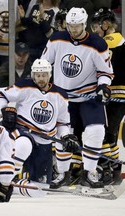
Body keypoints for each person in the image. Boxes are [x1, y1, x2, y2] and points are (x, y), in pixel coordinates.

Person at [41, 7, 114, 188]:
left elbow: (105, 72)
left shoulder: (97, 43)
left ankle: (90, 172)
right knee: (63, 134)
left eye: (77, 26)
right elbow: (44, 63)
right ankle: (62, 173)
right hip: (63, 97)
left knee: (95, 132)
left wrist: (103, 86)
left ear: (84, 24)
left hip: (89, 96)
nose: (73, 29)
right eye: (70, 25)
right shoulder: (57, 39)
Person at [0, 58, 80, 185]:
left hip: (45, 140)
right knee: (23, 145)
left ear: (49, 75)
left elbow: (62, 123)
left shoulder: (60, 95)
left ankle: (59, 176)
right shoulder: (25, 86)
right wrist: (4, 110)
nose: (41, 79)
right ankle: (4, 177)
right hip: (23, 132)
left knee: (41, 184)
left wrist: (65, 136)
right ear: (33, 76)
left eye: (44, 75)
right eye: (38, 75)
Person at [90, 7, 124, 185]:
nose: (94, 30)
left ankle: (110, 170)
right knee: (108, 136)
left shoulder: (111, 41)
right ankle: (114, 170)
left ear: (105, 24)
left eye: (96, 26)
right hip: (114, 94)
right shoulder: (116, 40)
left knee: (106, 134)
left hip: (117, 94)